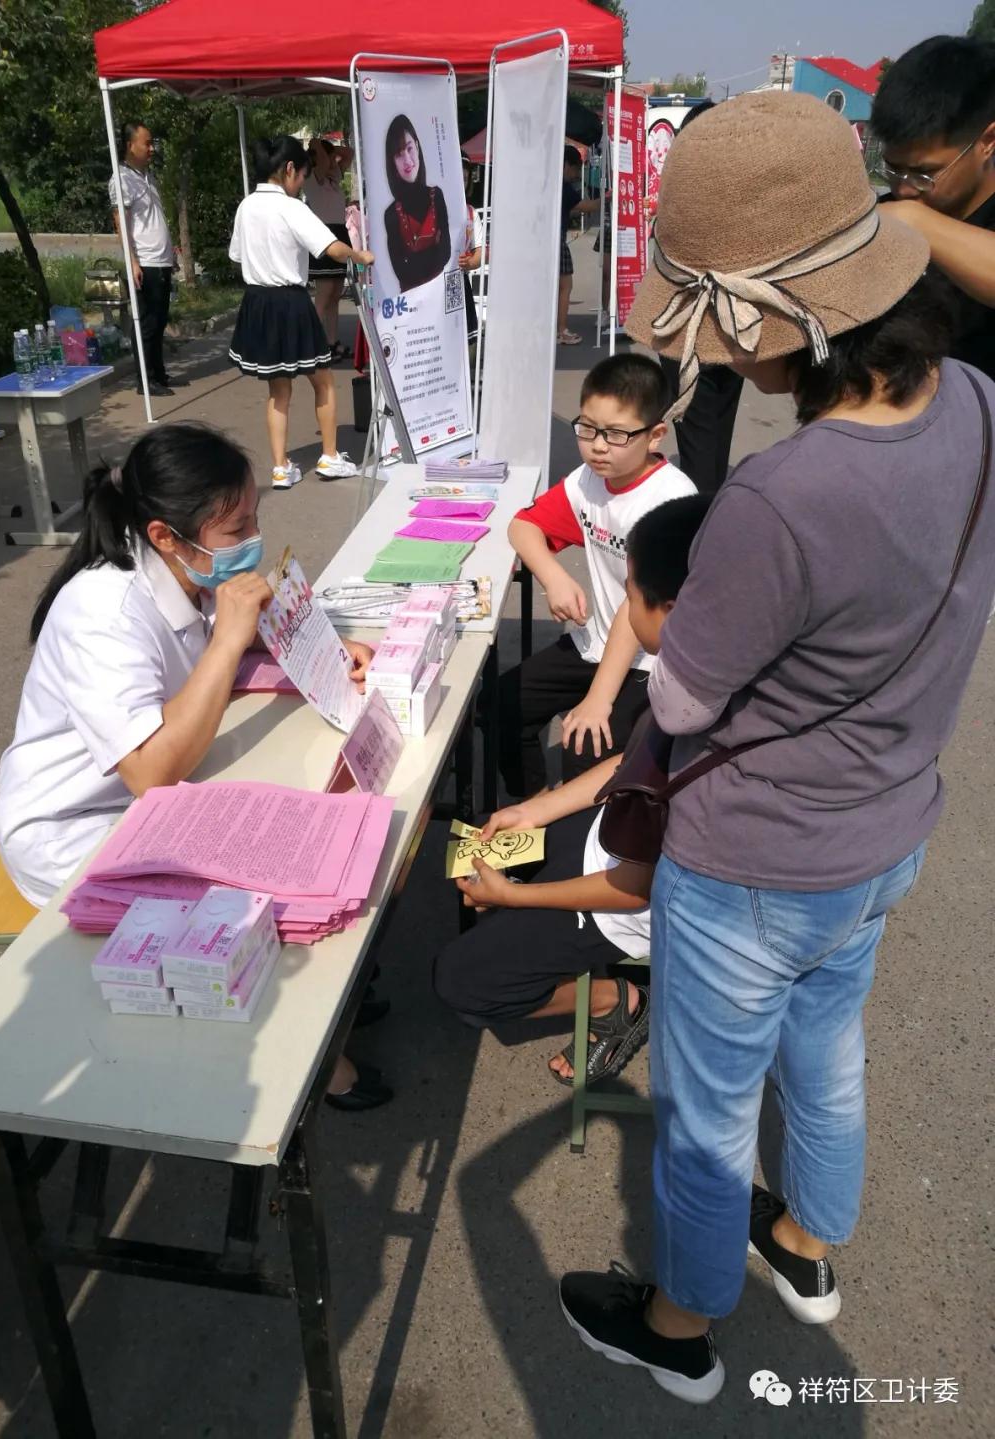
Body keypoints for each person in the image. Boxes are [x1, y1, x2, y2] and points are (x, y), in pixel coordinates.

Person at [557, 92, 995, 1403]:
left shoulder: (778, 496)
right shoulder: (978, 399)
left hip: (755, 860)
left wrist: (650, 616)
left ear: (771, 320)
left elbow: (687, 699)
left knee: (705, 1114)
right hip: (887, 826)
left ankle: (681, 1324)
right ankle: (805, 1242)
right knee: (828, 1052)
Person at [0, 423, 387, 1109]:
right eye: (236, 530)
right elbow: (150, 773)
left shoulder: (185, 569)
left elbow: (222, 651)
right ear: (165, 535)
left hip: (150, 797)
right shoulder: (103, 611)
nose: (253, 540)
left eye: (254, 519)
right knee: (252, 888)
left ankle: (334, 1002)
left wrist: (322, 647)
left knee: (288, 829)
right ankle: (310, 1056)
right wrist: (230, 639)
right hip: (76, 827)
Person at [435, 495, 711, 1086]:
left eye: (630, 593)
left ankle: (620, 1002)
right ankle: (525, 921)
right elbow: (630, 763)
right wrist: (535, 810)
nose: (623, 607)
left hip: (627, 900)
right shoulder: (692, 669)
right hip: (610, 839)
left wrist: (519, 899)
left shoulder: (707, 724)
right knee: (478, 851)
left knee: (460, 982)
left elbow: (632, 889)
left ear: (669, 609)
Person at [497, 354, 694, 799]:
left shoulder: (669, 500)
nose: (599, 446)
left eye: (617, 434)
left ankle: (579, 831)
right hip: (597, 641)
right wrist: (553, 576)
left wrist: (599, 700)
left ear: (655, 435)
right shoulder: (588, 479)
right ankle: (530, 810)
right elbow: (523, 526)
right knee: (502, 703)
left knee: (585, 745)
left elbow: (636, 605)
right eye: (588, 428)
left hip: (650, 660)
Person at [228, 136, 373, 489]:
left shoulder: (246, 206)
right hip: (290, 301)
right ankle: (330, 457)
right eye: (302, 175)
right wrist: (360, 256)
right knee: (323, 381)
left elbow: (237, 255)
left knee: (278, 390)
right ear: (290, 169)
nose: (301, 183)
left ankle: (280, 468)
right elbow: (332, 248)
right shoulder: (291, 207)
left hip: (257, 301)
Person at [870, 34, 995, 380]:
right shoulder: (886, 212)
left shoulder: (904, 214)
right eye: (893, 168)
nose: (904, 188)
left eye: (924, 173)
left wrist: (914, 220)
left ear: (987, 142)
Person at [656, 101, 746, 494]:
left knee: (697, 433)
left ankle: (702, 512)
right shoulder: (744, 193)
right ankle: (709, 496)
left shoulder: (685, 193)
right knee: (716, 427)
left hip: (689, 330)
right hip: (735, 328)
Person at [109, 122, 176, 398]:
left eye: (152, 143)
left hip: (160, 260)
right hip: (144, 262)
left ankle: (158, 373)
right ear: (130, 145)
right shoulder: (122, 180)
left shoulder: (146, 177)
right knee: (146, 322)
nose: (151, 149)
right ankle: (145, 379)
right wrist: (133, 261)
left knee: (159, 321)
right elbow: (121, 224)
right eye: (146, 143)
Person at [383, 115, 451, 292]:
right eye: (399, 154)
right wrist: (434, 249)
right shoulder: (391, 214)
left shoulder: (437, 196)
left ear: (418, 147)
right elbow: (401, 271)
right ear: (393, 162)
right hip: (412, 302)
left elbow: (446, 253)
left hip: (440, 295)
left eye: (409, 148)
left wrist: (412, 258)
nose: (407, 160)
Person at [305, 138, 354, 362]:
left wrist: (332, 150)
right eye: (328, 157)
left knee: (335, 294)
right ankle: (312, 346)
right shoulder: (312, 176)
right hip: (322, 236)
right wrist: (316, 143)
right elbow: (324, 162)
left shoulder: (334, 178)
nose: (333, 161)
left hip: (339, 234)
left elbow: (349, 152)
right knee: (324, 295)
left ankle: (332, 343)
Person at [558, 145, 600, 345]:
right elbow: (587, 206)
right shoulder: (564, 187)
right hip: (557, 243)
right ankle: (561, 330)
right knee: (565, 286)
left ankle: (554, 328)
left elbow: (571, 209)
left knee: (553, 287)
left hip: (543, 242)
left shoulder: (549, 182)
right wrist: (607, 197)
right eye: (575, 169)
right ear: (566, 164)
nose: (576, 175)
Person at [458, 152, 484, 350]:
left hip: (459, 284)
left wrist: (469, 263)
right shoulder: (430, 209)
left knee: (467, 344)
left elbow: (479, 254)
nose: (461, 182)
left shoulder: (470, 213)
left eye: (465, 178)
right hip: (431, 287)